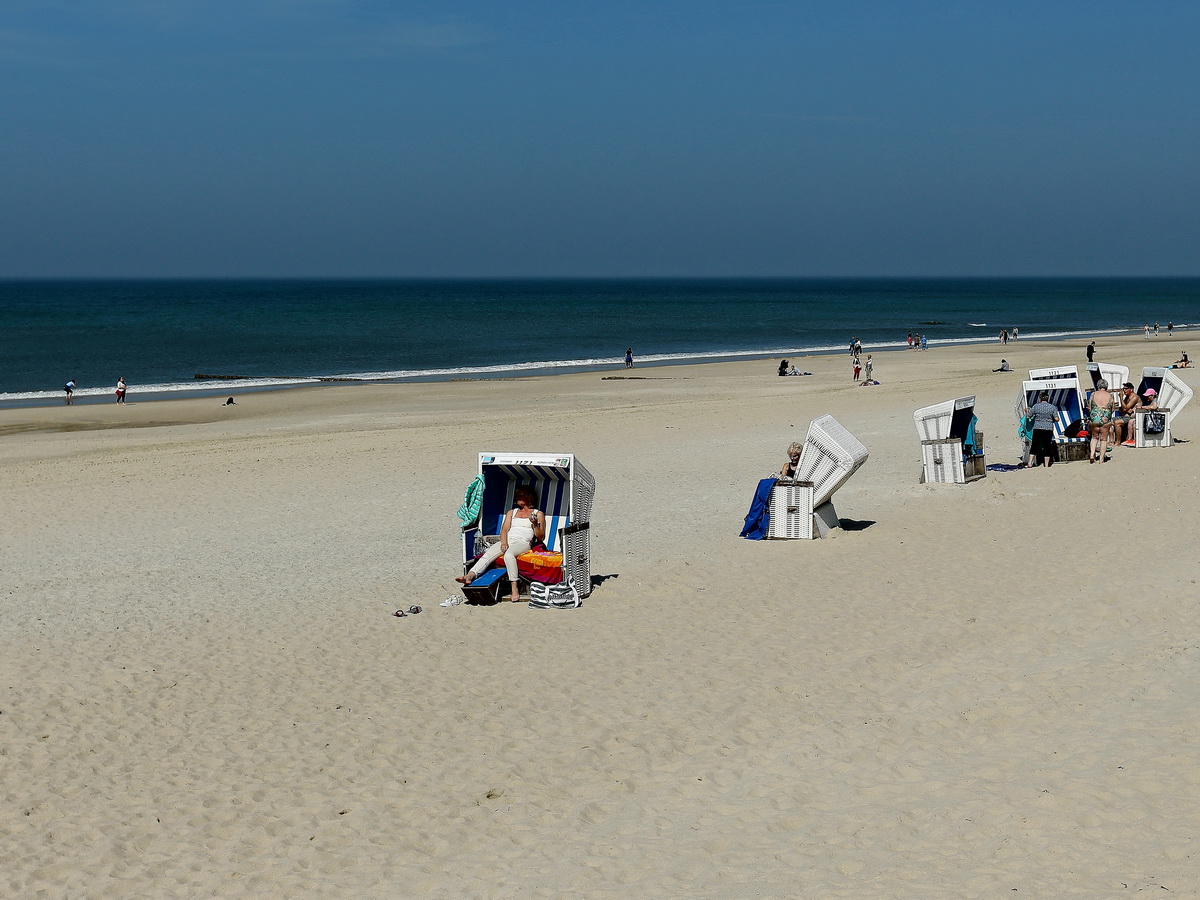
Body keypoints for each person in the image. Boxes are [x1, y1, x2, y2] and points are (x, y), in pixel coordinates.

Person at [455, 486, 545, 602]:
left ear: (529, 497)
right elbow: (504, 530)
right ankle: (470, 576)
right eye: (516, 495)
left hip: (523, 542)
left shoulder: (538, 514)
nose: (517, 497)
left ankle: (514, 588)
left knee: (509, 555)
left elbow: (540, 537)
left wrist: (534, 524)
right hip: (508, 539)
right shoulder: (512, 512)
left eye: (520, 495)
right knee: (488, 554)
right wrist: (503, 542)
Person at [1086, 378, 1116, 463]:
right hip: (1105, 419)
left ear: (1098, 386)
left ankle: (1092, 454)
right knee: (1103, 439)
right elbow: (1112, 408)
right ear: (1106, 386)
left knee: (1094, 437)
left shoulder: (1093, 394)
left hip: (1094, 418)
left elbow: (1090, 407)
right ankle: (1101, 459)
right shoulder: (1110, 396)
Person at [1028, 390, 1059, 468]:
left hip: (1037, 427)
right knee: (1047, 446)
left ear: (1040, 399)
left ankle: (1030, 463)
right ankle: (1046, 465)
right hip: (1048, 428)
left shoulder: (1036, 406)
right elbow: (1057, 419)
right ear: (1048, 398)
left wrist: (1026, 411)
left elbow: (1029, 416)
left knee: (1034, 445)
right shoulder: (1052, 407)